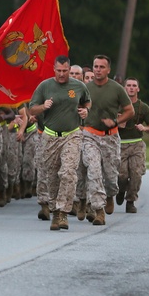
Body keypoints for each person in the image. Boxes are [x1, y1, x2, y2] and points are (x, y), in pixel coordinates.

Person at [29, 56, 91, 230]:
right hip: (50, 136)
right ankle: (55, 211)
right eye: (59, 71)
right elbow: (31, 108)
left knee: (68, 172)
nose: (62, 74)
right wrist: (43, 107)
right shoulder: (45, 86)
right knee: (52, 176)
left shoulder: (79, 86)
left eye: (65, 71)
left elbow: (87, 101)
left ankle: (63, 212)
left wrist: (85, 111)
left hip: (72, 134)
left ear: (69, 69)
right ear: (54, 69)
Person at [82, 55, 133, 226]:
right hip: (90, 136)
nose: (97, 70)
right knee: (94, 171)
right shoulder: (85, 88)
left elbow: (129, 110)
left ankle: (111, 194)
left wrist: (116, 121)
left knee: (111, 177)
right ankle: (98, 210)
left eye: (101, 67)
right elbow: (77, 107)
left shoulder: (117, 89)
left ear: (108, 70)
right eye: (95, 66)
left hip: (110, 137)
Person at [116, 77, 149, 213]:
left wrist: (144, 128)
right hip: (120, 144)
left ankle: (131, 201)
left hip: (136, 144)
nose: (131, 88)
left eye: (134, 86)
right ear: (124, 88)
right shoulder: (118, 105)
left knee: (136, 173)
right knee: (121, 175)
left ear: (138, 89)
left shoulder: (143, 108)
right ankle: (121, 190)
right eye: (129, 85)